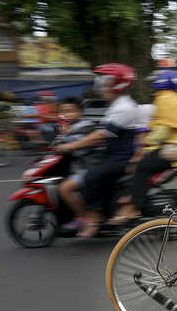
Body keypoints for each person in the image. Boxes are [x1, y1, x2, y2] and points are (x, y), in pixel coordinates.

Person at [55, 63, 140, 237]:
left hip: (121, 158)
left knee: (92, 175)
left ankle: (93, 217)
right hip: (112, 155)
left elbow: (99, 135)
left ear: (117, 84)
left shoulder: (124, 107)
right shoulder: (116, 105)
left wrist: (69, 146)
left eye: (106, 81)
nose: (102, 85)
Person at [111, 70, 177, 223]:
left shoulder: (165, 99)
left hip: (176, 148)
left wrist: (146, 143)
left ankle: (134, 208)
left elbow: (164, 128)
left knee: (142, 167)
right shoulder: (175, 98)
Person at [55, 97, 99, 230]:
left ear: (80, 112)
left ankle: (82, 217)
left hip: (87, 167)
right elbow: (57, 145)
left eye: (70, 111)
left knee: (64, 188)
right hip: (76, 168)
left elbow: (73, 147)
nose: (67, 115)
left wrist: (64, 139)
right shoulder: (69, 127)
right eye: (64, 111)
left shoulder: (86, 126)